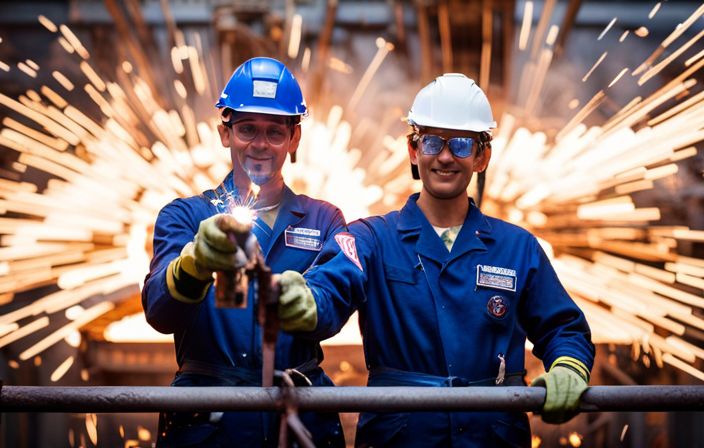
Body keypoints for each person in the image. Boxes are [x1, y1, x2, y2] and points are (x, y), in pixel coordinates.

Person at [276, 73, 596, 447]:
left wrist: (569, 369)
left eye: (461, 144)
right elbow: (331, 288)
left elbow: (564, 328)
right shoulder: (371, 238)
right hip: (401, 435)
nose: (445, 156)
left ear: (482, 156)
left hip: (491, 435)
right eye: (432, 141)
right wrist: (304, 299)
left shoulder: (518, 247)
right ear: (413, 151)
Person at [142, 57, 347, 448]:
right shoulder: (185, 216)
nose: (259, 144)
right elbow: (159, 312)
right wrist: (195, 264)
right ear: (225, 132)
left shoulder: (324, 220)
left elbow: (335, 306)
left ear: (294, 138)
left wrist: (306, 300)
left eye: (274, 132)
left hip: (297, 411)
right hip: (211, 423)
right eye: (247, 129)